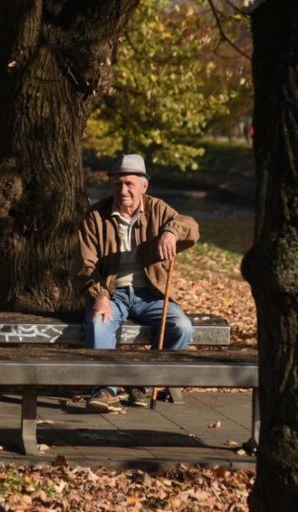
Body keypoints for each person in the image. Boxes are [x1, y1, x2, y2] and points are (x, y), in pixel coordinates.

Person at [72, 154, 200, 412]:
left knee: (182, 327)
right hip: (112, 293)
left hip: (151, 294)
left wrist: (171, 231)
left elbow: (192, 226)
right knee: (99, 322)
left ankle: (143, 383)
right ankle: (106, 391)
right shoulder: (96, 216)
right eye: (117, 183)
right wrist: (99, 295)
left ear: (144, 186)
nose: (123, 190)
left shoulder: (158, 209)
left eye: (129, 183)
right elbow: (84, 265)